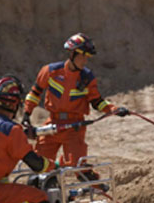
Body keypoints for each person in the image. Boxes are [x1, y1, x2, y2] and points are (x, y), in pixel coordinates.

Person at [23, 33, 129, 181]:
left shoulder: (87, 78)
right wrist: (26, 114)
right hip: (52, 124)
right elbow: (35, 93)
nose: (86, 61)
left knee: (77, 167)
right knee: (40, 164)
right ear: (73, 54)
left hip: (74, 127)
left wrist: (113, 109)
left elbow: (97, 101)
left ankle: (92, 182)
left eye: (87, 57)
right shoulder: (50, 71)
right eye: (83, 56)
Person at [0, 76, 58, 203]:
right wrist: (55, 165)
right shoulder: (13, 131)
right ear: (14, 104)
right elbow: (37, 165)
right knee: (40, 199)